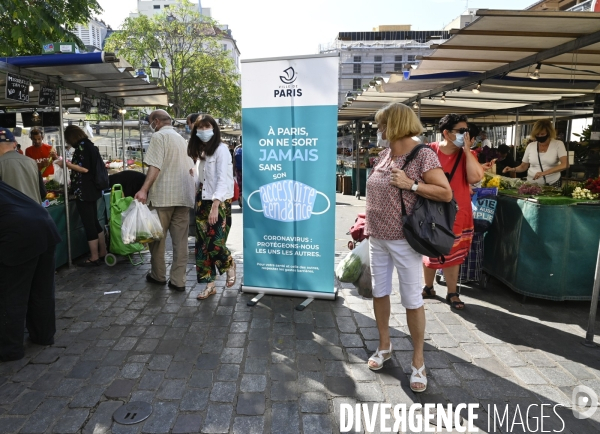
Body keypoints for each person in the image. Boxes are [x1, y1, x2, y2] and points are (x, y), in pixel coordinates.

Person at [364, 103, 453, 393]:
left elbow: (445, 192)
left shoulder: (423, 154)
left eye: (381, 124)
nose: (378, 130)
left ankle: (418, 361)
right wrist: (362, 226)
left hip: (404, 239)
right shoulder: (385, 153)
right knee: (379, 292)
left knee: (412, 298)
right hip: (377, 237)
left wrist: (411, 185)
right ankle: (384, 345)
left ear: (395, 125)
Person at [422, 114, 485, 310]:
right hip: (432, 208)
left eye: (467, 131)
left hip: (459, 210)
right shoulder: (429, 151)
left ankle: (452, 292)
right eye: (461, 131)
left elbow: (474, 177)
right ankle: (428, 287)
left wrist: (467, 150)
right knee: (429, 248)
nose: (466, 135)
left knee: (453, 251)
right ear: (446, 133)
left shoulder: (468, 154)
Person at [0, 181, 61, 361]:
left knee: (11, 294)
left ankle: (10, 349)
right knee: (41, 289)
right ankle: (43, 336)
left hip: (20, 235)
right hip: (44, 225)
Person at [135, 110, 195, 292]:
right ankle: (179, 281)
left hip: (162, 196)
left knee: (157, 241)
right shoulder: (181, 139)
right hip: (184, 197)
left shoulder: (158, 137)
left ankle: (158, 275)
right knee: (181, 242)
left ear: (157, 121)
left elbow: (155, 166)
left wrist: (144, 189)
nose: (150, 125)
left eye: (150, 122)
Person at [188, 114, 235, 300]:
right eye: (201, 128)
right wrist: (194, 174)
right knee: (201, 246)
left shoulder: (221, 149)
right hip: (202, 200)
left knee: (215, 243)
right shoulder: (200, 151)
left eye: (208, 127)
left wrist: (215, 205)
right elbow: (201, 180)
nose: (204, 131)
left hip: (218, 201)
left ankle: (229, 264)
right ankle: (209, 285)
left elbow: (223, 179)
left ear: (214, 129)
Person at [57, 125, 107, 266]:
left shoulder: (82, 148)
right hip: (93, 189)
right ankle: (102, 252)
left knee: (88, 223)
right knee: (94, 221)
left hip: (84, 191)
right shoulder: (89, 145)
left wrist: (66, 164)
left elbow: (84, 169)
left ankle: (94, 257)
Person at [502, 119, 567, 186]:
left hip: (552, 183)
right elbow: (523, 166)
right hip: (532, 183)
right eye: (537, 134)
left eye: (542, 134)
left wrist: (543, 173)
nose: (539, 136)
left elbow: (565, 164)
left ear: (549, 132)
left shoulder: (558, 144)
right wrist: (512, 169)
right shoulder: (531, 146)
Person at [0, 127, 46, 203]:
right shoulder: (32, 162)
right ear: (15, 143)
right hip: (36, 211)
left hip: (12, 213)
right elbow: (43, 192)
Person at [234, 138, 243, 207]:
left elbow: (234, 160)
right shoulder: (251, 147)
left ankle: (240, 200)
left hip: (238, 170)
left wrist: (233, 170)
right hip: (248, 170)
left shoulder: (237, 148)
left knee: (240, 185)